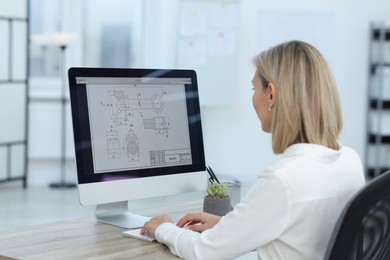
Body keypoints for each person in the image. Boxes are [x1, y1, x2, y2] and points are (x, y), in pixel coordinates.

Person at [140, 40, 366, 259]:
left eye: (253, 87)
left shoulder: (282, 181)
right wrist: (227, 226)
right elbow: (300, 230)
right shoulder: (349, 160)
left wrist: (165, 228)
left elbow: (203, 252)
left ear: (271, 94)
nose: (252, 96)